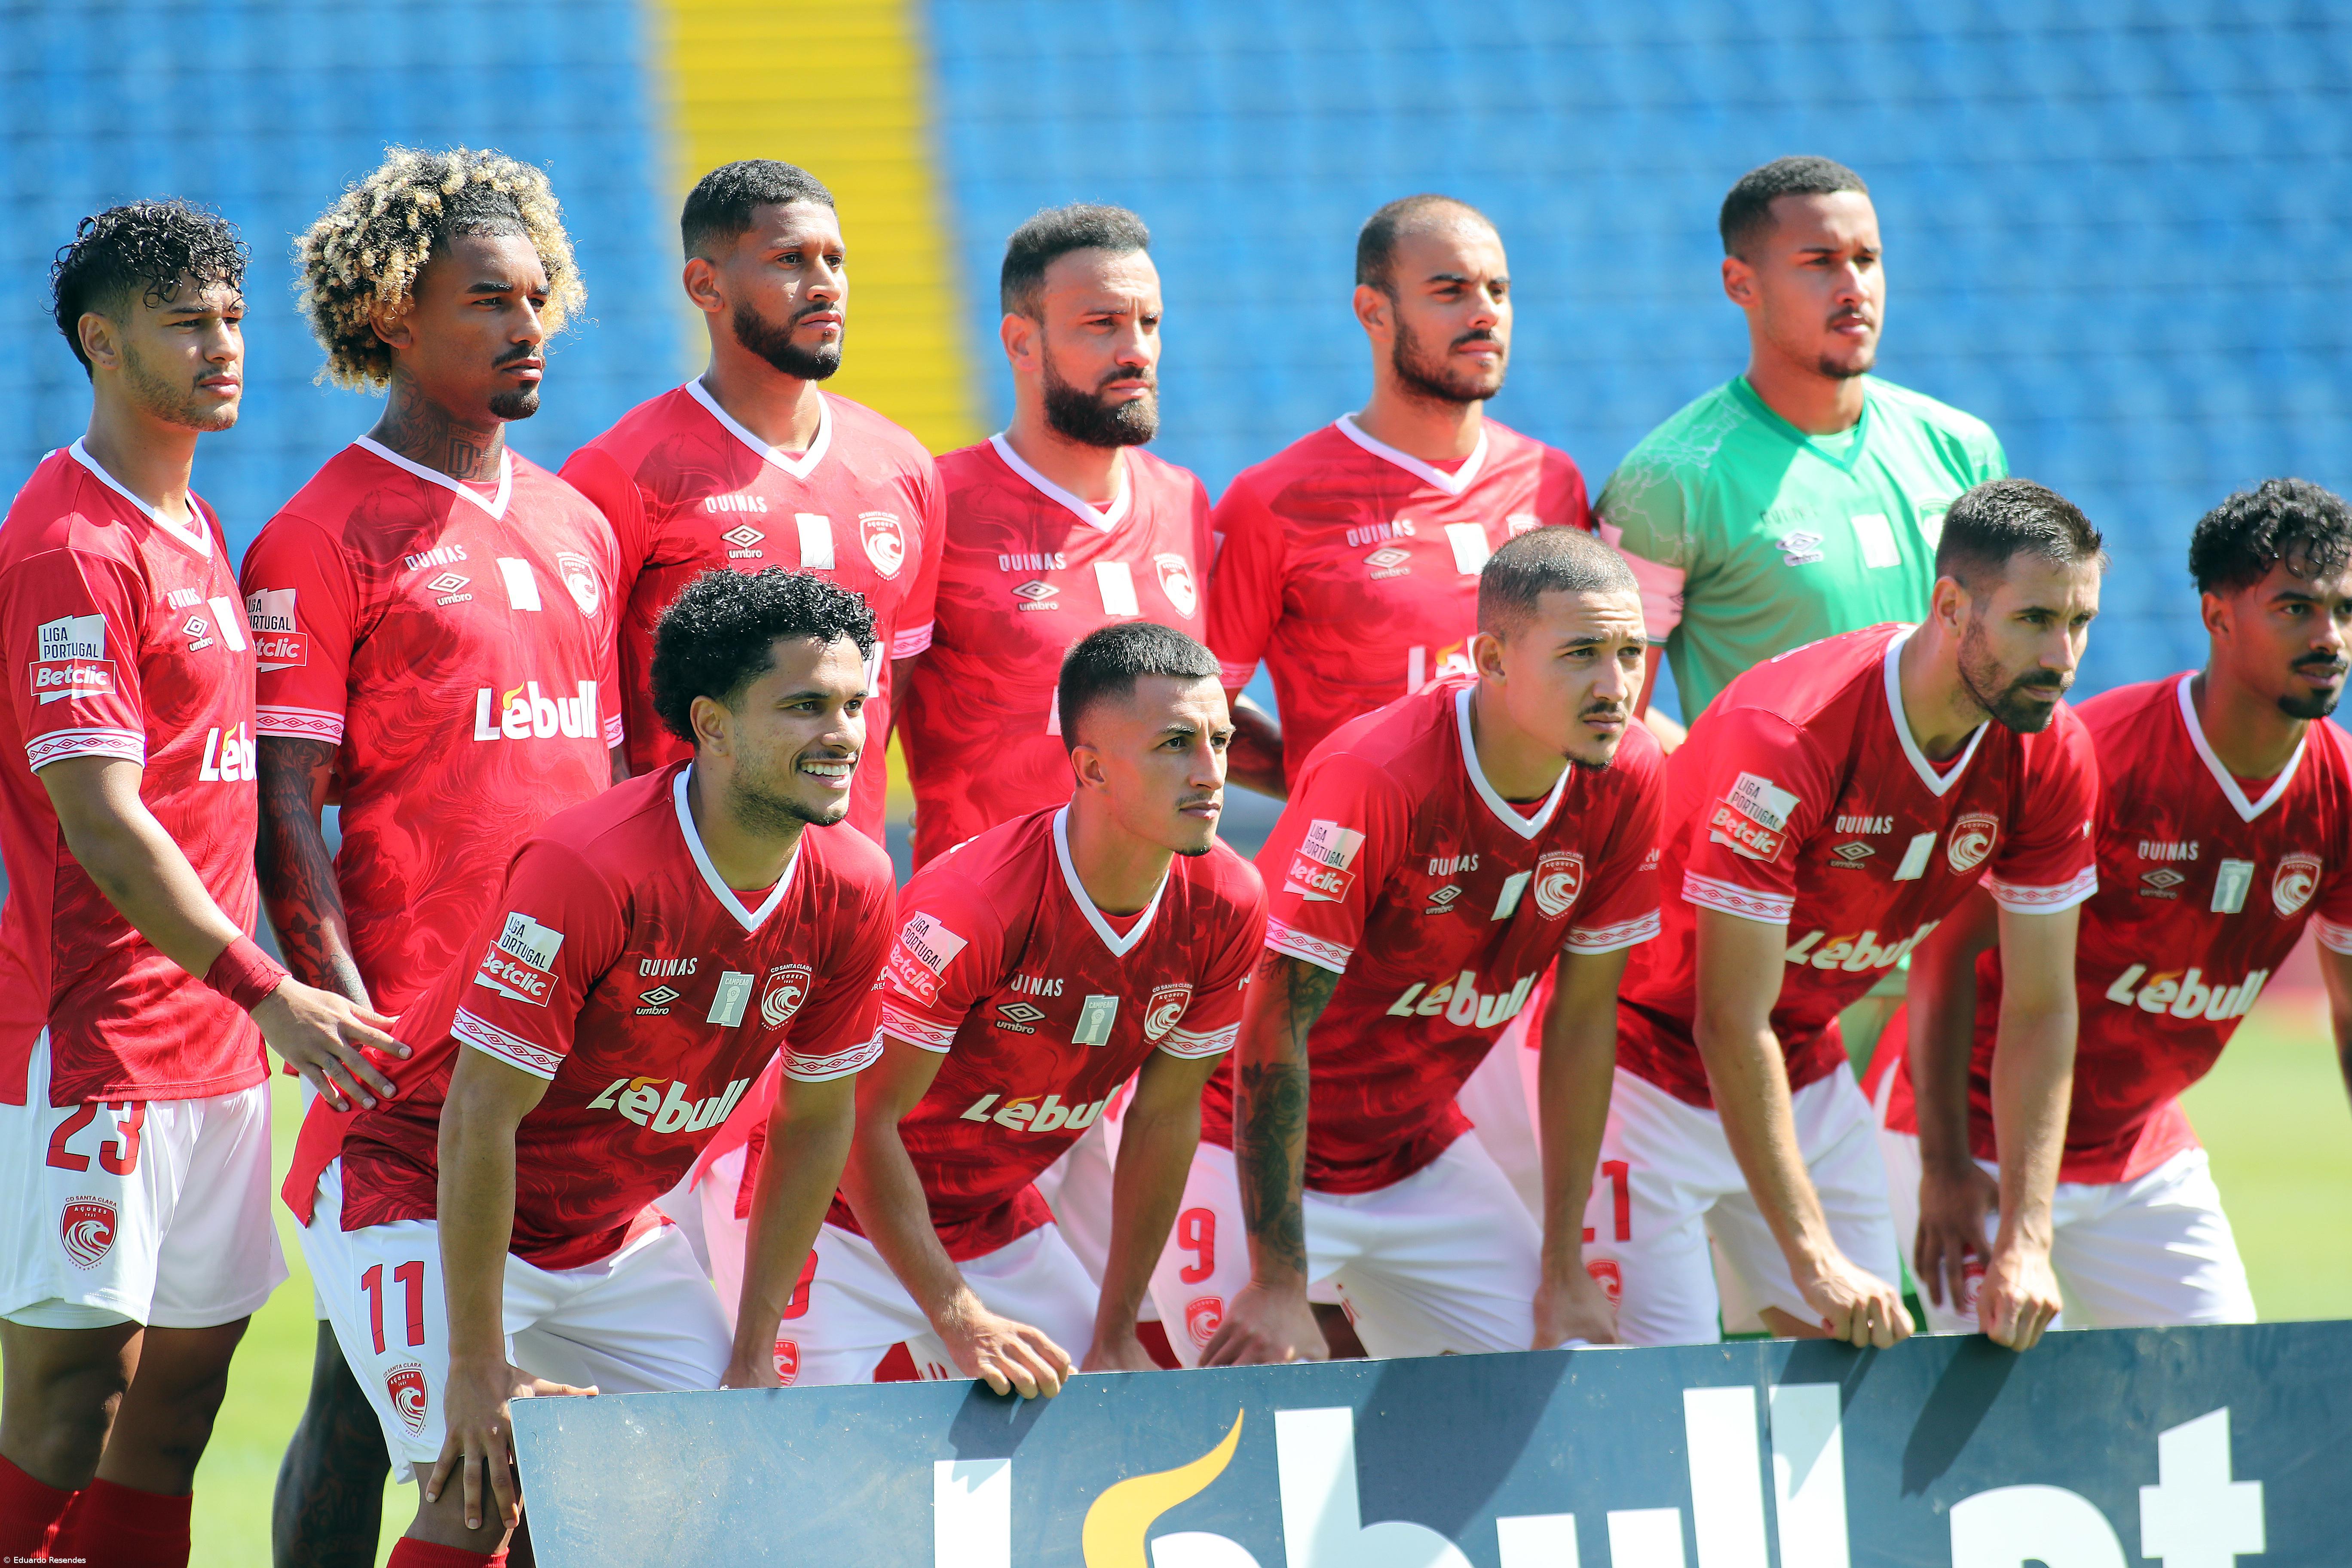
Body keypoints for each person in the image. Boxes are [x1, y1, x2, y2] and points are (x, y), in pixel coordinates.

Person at [281, 568, 893, 1565]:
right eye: (805, 706)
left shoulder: (859, 885)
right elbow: (478, 1115)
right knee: (478, 1480)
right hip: (407, 1182)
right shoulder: (594, 865)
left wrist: (751, 1353)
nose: (842, 733)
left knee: (725, 1474)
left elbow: (819, 1120)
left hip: (600, 1230)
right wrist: (478, 1365)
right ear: (715, 724)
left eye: (855, 703)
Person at [0, 202, 398, 1568]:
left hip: (219, 1054)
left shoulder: (194, 524)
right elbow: (104, 824)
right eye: (186, 322)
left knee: (178, 1412)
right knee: (67, 1404)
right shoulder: (72, 545)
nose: (225, 345)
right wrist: (269, 986)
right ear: (102, 343)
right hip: (97, 1047)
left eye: (231, 317)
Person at [248, 146, 627, 1568]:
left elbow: (606, 792)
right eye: (489, 300)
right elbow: (288, 801)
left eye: (540, 299)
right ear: (392, 310)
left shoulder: (581, 525)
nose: (529, 326)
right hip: (413, 1069)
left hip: (564, 1064)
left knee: (357, 1411)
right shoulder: (318, 532)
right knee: (480, 1468)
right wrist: (342, 1010)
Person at [1605, 478, 2104, 1353]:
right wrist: (1811, 1257)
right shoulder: (1792, 735)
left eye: (2081, 623)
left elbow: (2042, 1007)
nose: (2063, 657)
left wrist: (2030, 1241)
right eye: (2035, 621)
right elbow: (1727, 1018)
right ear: (1952, 607)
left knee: (1870, 1363)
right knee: (1656, 1388)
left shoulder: (2051, 751)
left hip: (1801, 1058)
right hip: (1636, 1057)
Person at [703, 622, 1265, 1390]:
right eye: (1175, 744)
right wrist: (961, 1319)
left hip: (987, 1219)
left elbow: (1165, 1115)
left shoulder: (1230, 900)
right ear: (1092, 769)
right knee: (804, 1478)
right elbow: (861, 1121)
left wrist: (1113, 1328)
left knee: (1097, 1423)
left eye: (1221, 741)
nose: (1210, 773)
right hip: (821, 1207)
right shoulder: (976, 906)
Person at [1166, 527, 1662, 1366]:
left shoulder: (1631, 773)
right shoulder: (1380, 773)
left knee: (1557, 1381)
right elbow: (1270, 1032)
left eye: (1629, 652)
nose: (1614, 686)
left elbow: (1581, 1022)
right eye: (1581, 654)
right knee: (1242, 1427)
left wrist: (1563, 1263)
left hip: (1414, 1151)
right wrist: (1281, 1282)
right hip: (1231, 1142)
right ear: (1492, 660)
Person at [1876, 478, 2352, 1332]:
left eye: (2344, 612)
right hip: (1974, 1134)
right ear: (2218, 617)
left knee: (2226, 1406)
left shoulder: (2342, 793)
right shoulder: (2103, 754)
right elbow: (1946, 957)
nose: (2330, 639)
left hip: (2137, 1147)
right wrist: (1943, 1166)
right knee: (1999, 1442)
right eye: (2295, 610)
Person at [564, 159, 943, 845]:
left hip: (845, 887)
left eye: (836, 259)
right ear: (706, 286)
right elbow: (588, 705)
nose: (826, 283)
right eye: (790, 260)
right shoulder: (620, 471)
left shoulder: (905, 467)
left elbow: (892, 678)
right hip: (676, 887)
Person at [1204, 194, 1596, 798]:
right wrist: (1334, 789)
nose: (1486, 312)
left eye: (1499, 289)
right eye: (1451, 291)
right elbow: (1193, 714)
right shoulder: (1275, 501)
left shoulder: (1553, 481)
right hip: (1366, 880)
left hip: (1534, 871)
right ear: (1374, 312)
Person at [1599, 156, 2008, 728]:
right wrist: (1714, 773)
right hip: (1784, 819)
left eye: (1868, 260)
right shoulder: (1667, 480)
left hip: (1954, 815)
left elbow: (2010, 659)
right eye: (1820, 262)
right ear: (1741, 283)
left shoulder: (1964, 448)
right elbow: (1610, 719)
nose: (1854, 288)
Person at [897, 203, 1214, 869]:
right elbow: (861, 730)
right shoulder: (935, 503)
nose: (1137, 351)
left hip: (1154, 932)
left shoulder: (1182, 498)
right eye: (1102, 325)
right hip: (987, 933)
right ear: (1022, 343)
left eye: (1149, 323)